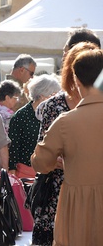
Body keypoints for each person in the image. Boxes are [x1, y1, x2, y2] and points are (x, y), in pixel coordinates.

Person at [31, 40, 101, 245]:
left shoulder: (66, 122)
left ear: (77, 81)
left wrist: (56, 161)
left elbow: (40, 162)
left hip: (77, 206)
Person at [8, 74, 60, 173]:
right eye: (53, 96)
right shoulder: (21, 116)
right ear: (42, 96)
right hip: (25, 173)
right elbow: (13, 149)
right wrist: (12, 172)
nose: (57, 99)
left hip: (51, 171)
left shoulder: (55, 114)